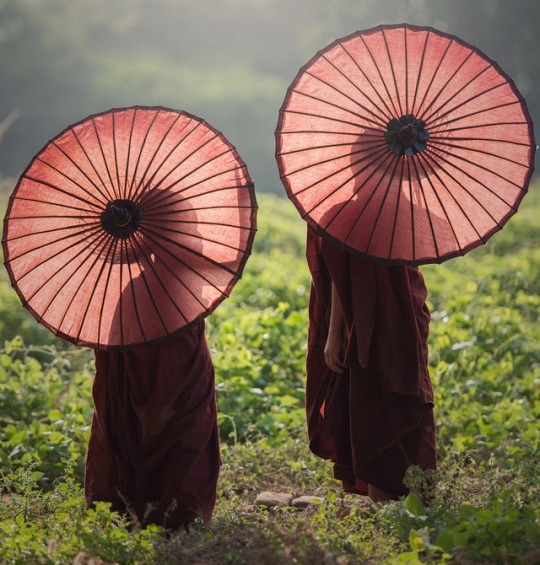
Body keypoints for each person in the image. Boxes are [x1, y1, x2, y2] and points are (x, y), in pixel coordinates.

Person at [305, 226, 436, 501]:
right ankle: (393, 504)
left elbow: (343, 277)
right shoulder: (400, 213)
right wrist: (336, 330)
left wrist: (334, 332)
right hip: (385, 321)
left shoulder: (362, 215)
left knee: (385, 403)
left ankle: (404, 502)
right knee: (382, 406)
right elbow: (343, 274)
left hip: (391, 318)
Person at [84, 318, 220, 530]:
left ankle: (133, 507)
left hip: (131, 328)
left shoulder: (113, 300)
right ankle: (177, 513)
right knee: (186, 424)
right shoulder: (179, 296)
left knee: (130, 421)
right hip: (172, 328)